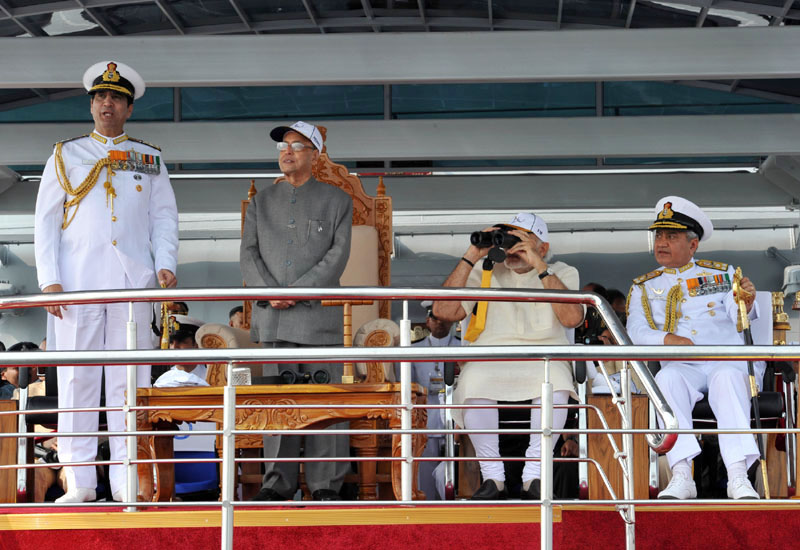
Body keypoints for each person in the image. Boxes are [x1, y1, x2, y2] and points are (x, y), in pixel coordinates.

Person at [34, 60, 179, 503]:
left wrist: (165, 263)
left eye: (115, 98)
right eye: (100, 97)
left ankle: (125, 482)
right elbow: (45, 222)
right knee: (77, 382)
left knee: (126, 384)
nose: (106, 103)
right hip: (77, 285)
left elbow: (164, 217)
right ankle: (79, 483)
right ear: (92, 104)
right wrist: (49, 280)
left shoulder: (148, 158)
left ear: (129, 108)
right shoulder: (66, 154)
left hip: (132, 283)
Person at [433, 213, 584, 500]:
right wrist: (472, 255)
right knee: (475, 381)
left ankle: (534, 475)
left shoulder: (562, 272)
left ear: (543, 247)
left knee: (556, 382)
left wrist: (538, 264)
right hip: (490, 358)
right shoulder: (485, 270)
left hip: (544, 358)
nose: (512, 248)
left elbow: (572, 318)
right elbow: (443, 311)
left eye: (522, 240)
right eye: (509, 238)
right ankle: (493, 477)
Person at [240, 120, 353, 502]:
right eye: (282, 147)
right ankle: (278, 484)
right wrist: (270, 293)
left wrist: (296, 291)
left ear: (315, 156)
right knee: (279, 404)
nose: (287, 153)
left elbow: (337, 256)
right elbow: (248, 253)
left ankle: (326, 486)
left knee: (325, 403)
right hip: (273, 320)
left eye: (297, 146)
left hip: (319, 321)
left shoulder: (338, 200)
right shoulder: (260, 201)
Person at [627, 196, 760, 500]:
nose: (661, 242)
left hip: (723, 358)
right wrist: (668, 340)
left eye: (671, 236)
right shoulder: (644, 286)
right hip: (682, 363)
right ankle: (682, 474)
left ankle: (738, 476)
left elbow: (738, 312)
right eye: (659, 235)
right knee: (666, 379)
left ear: (693, 244)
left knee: (726, 377)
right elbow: (636, 331)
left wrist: (746, 301)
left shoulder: (723, 275)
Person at [409, 300, 459, 500]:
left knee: (456, 471)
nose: (440, 323)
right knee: (426, 472)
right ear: (427, 321)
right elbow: (407, 389)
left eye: (445, 320)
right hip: (426, 420)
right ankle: (427, 507)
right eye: (435, 319)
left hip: (455, 420)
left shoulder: (462, 346)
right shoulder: (414, 351)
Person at [154, 315, 208, 388]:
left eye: (181, 341)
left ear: (196, 344)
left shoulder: (213, 376)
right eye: (171, 342)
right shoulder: (162, 380)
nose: (174, 347)